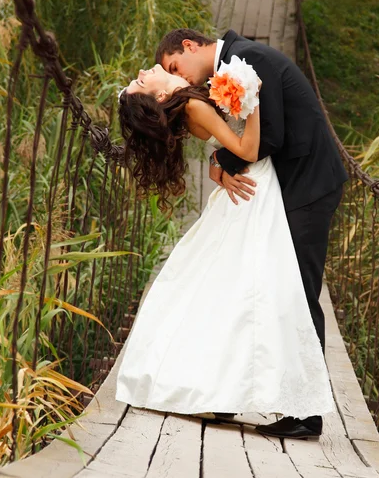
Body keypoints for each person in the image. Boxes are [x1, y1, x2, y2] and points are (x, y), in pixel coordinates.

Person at [114, 63, 335, 434]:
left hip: (247, 184)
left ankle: (225, 392)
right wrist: (253, 99)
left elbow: (227, 149)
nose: (142, 69)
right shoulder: (194, 107)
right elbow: (248, 148)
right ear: (162, 96)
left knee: (232, 289)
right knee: (256, 291)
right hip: (253, 187)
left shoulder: (192, 104)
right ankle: (241, 392)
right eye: (140, 80)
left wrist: (220, 158)